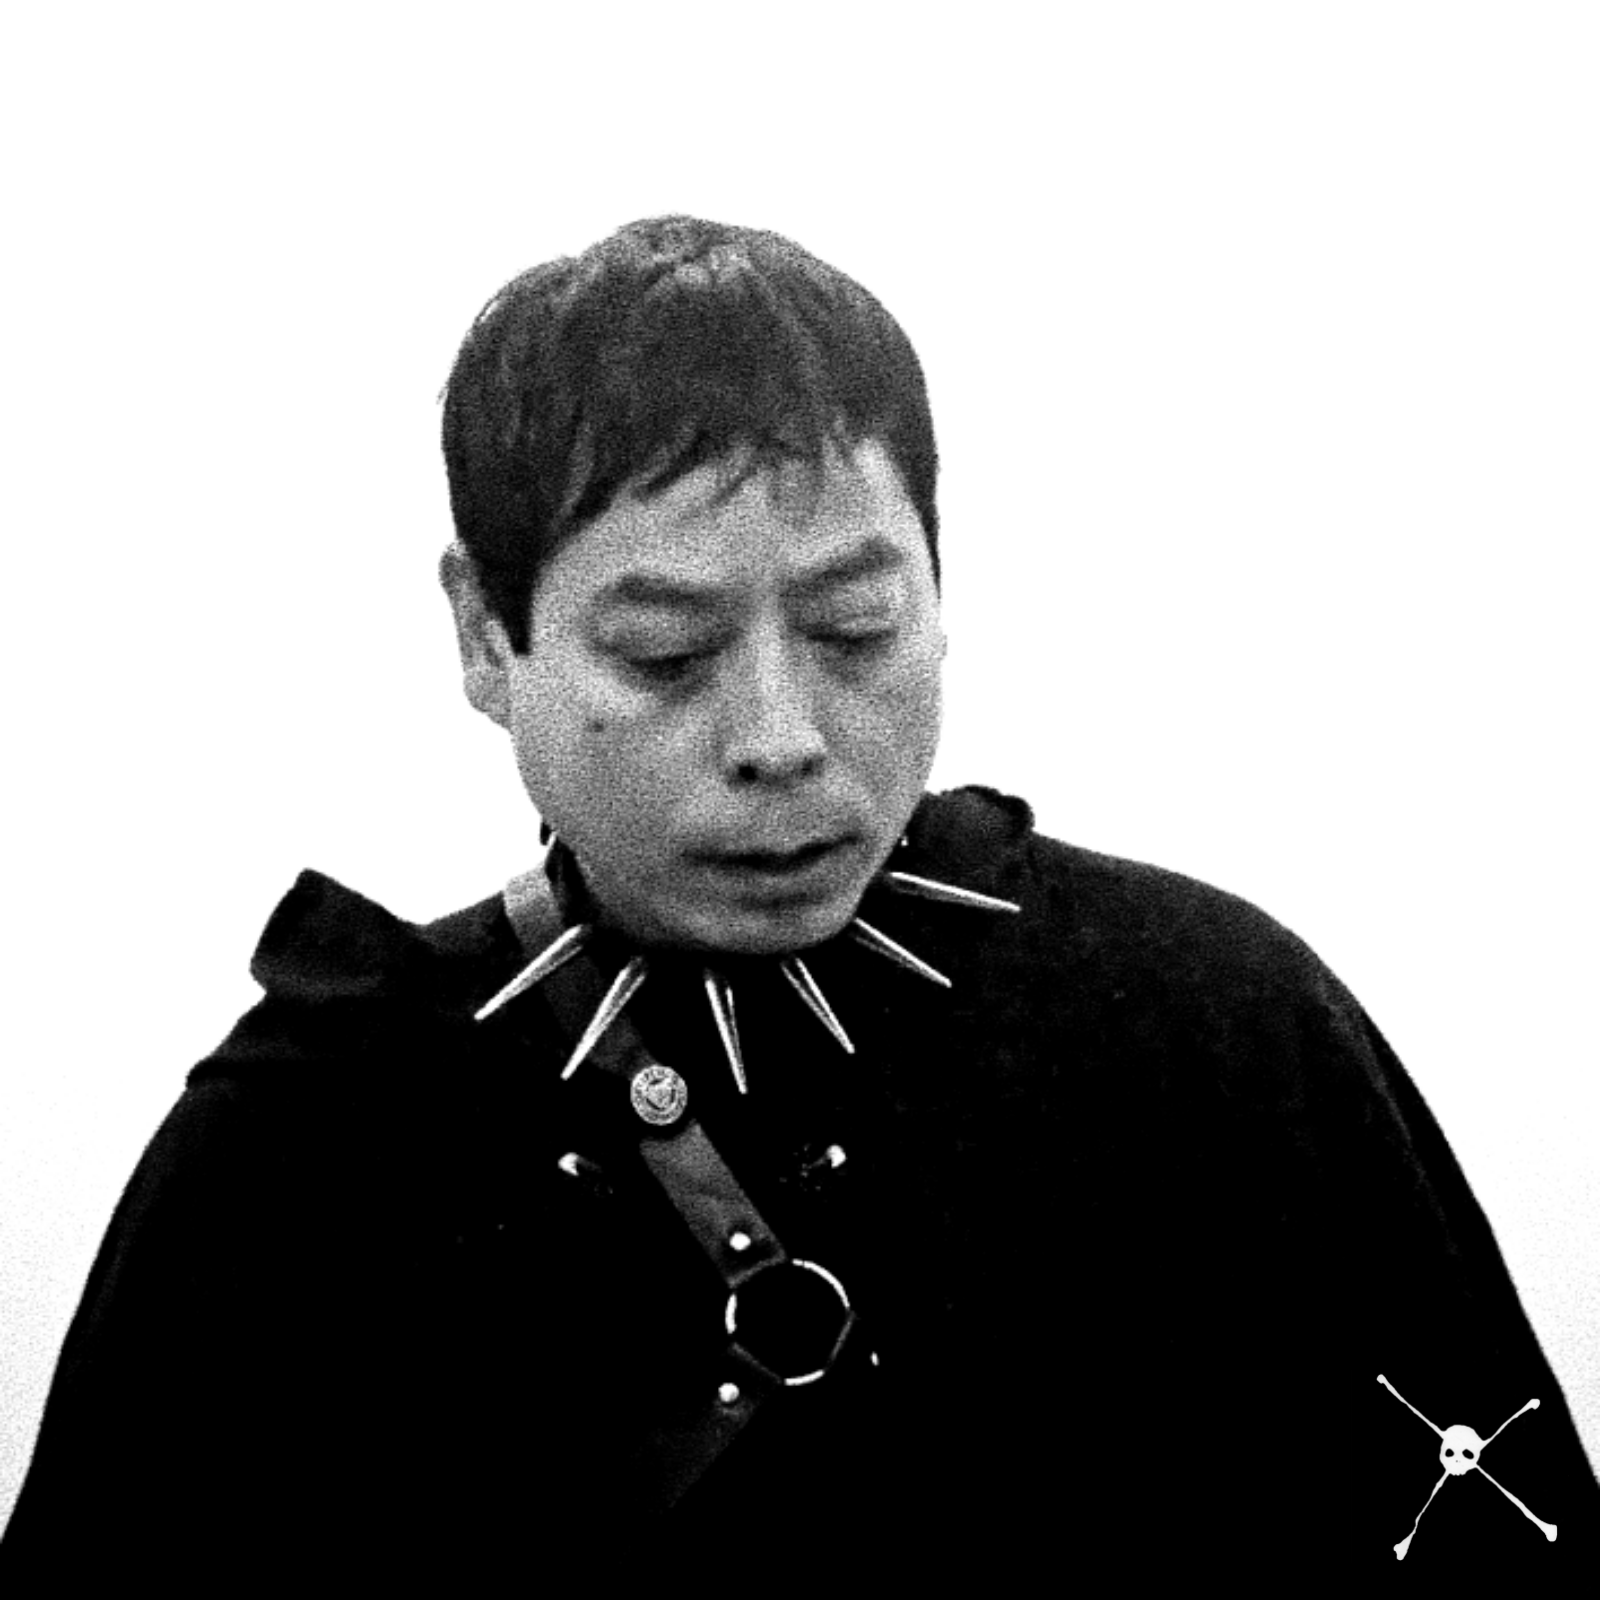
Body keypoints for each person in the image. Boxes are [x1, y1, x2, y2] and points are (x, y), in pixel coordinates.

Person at [2, 215, 1595, 1585]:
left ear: (940, 589)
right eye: (666, 654)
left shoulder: (1220, 1033)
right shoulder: (316, 1144)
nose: (781, 737)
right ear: (485, 635)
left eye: (854, 628)